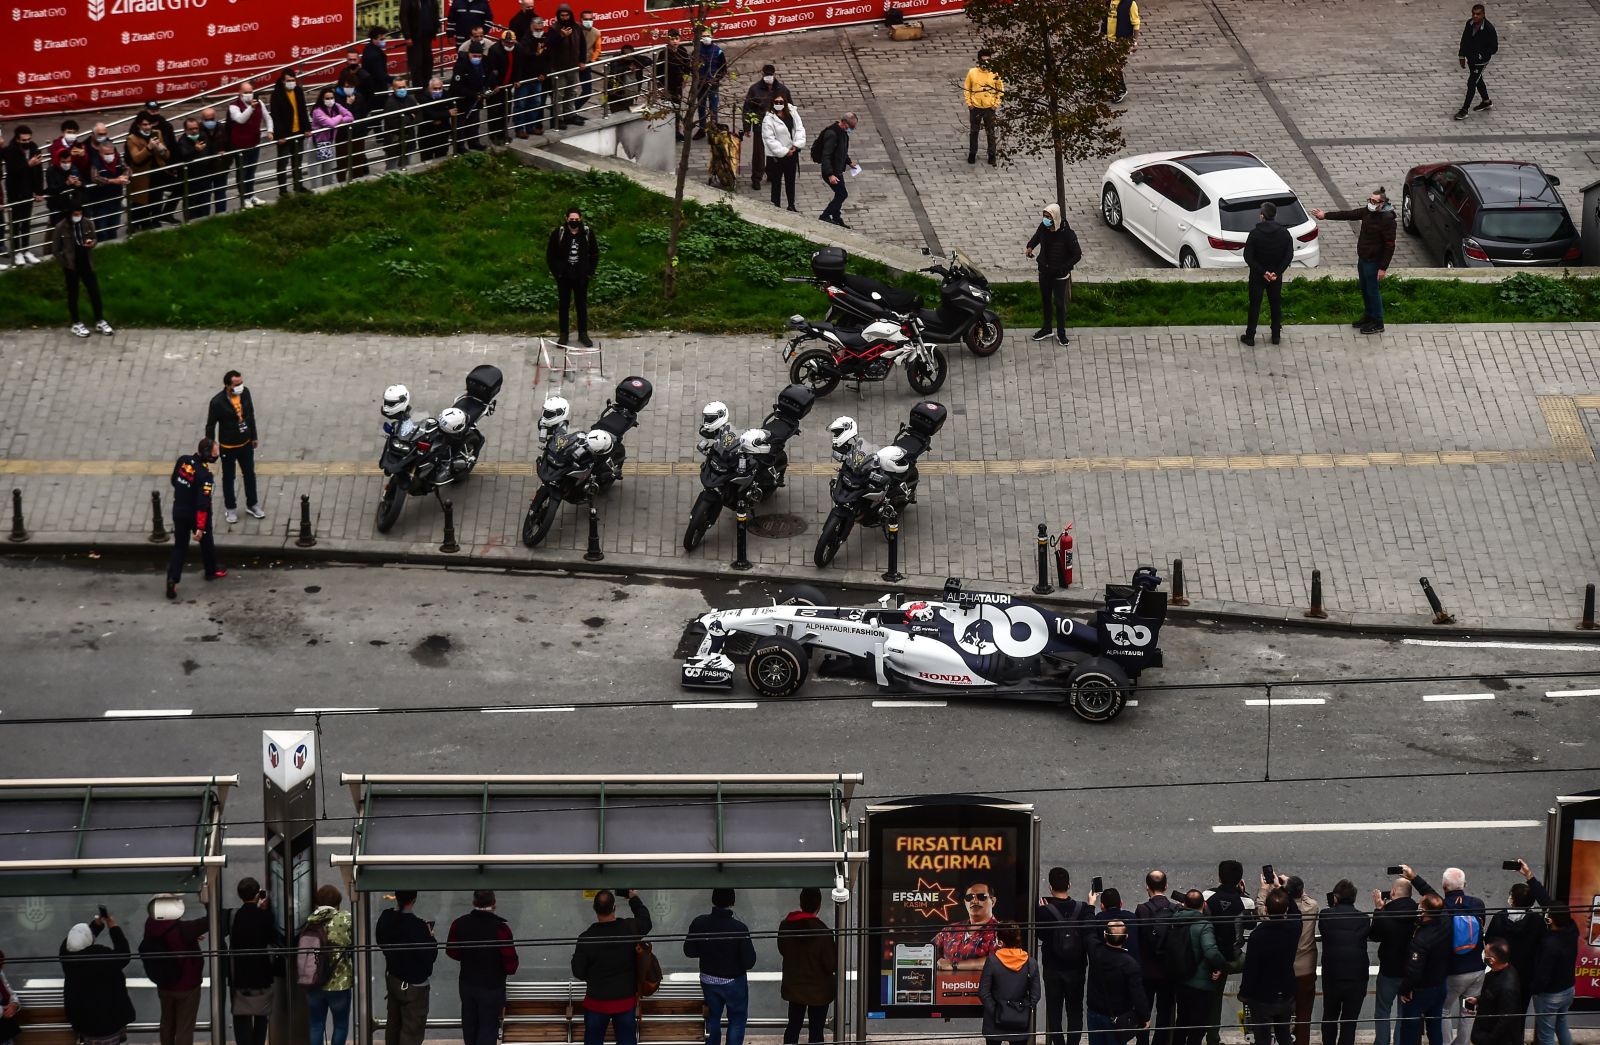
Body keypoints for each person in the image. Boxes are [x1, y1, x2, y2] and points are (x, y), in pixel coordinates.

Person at [1408, 866, 1486, 1045]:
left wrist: (1413, 878)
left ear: (1444, 887)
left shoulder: (1444, 909)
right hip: (1477, 971)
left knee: (1444, 1010)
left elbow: (1431, 897)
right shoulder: (1478, 904)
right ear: (1465, 884)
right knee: (1469, 1011)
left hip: (1453, 972)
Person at [572, 889, 653, 1045]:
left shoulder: (586, 937)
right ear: (614, 907)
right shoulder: (629, 928)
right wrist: (633, 898)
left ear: (594, 909)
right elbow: (646, 920)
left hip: (596, 1002)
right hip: (625, 1001)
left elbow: (578, 972)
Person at [1310, 188, 1395, 335]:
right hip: (1363, 258)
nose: (1371, 203)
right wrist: (1325, 215)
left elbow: (1390, 245)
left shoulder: (1387, 220)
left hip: (1374, 261)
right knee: (1365, 289)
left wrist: (1383, 268)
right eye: (1370, 200)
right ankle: (1368, 316)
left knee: (1373, 291)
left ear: (1382, 203)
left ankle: (1378, 322)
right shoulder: (1367, 211)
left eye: (1374, 201)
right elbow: (1349, 214)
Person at [685, 887, 758, 1045]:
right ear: (733, 902)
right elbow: (749, 961)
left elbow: (689, 951)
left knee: (712, 1019)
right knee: (737, 1020)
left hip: (708, 980)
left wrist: (707, 950)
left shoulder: (699, 922)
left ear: (713, 900)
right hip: (734, 981)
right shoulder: (739, 928)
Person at [1514, 861, 1576, 1045]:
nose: (1546, 914)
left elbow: (1542, 974)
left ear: (1551, 920)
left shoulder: (1550, 944)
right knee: (1561, 1025)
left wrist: (1533, 990)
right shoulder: (1571, 928)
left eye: (1548, 914)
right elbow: (1547, 902)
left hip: (1550, 995)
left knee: (1545, 1035)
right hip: (1568, 989)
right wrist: (1529, 876)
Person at [447, 889, 519, 1045]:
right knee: (488, 1028)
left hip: (467, 984)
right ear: (494, 904)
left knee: (470, 1026)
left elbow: (452, 951)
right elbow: (511, 966)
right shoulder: (501, 929)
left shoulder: (459, 924)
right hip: (492, 987)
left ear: (474, 902)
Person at [143, 892, 211, 1045]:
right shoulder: (184, 929)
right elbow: (210, 921)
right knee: (184, 1029)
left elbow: (168, 940)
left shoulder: (151, 925)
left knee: (167, 1023)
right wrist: (207, 902)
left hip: (164, 984)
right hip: (186, 986)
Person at [1038, 867, 1093, 1045]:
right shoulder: (1082, 908)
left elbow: (1040, 935)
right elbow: (1089, 931)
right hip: (1076, 968)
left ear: (1050, 887)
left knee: (1054, 1011)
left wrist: (1041, 910)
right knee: (1075, 1011)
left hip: (1053, 968)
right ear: (1069, 885)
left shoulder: (1044, 911)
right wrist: (1091, 905)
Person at [61, 912, 136, 1044]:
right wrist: (113, 927)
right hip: (111, 1021)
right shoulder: (101, 956)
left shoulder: (67, 957)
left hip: (85, 1023)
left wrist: (95, 926)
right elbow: (124, 953)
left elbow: (79, 938)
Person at [376, 890, 438, 1045]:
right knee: (412, 1032)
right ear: (414, 899)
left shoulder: (386, 917)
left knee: (393, 1025)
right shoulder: (418, 926)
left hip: (394, 978)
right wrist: (431, 937)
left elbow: (381, 941)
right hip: (415, 985)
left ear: (396, 897)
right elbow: (430, 956)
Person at [1240, 887, 1300, 1045]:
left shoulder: (1257, 936)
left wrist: (1244, 992)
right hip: (1285, 992)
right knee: (1284, 1036)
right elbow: (1297, 914)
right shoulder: (1293, 929)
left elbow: (1251, 968)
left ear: (1266, 910)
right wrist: (1284, 888)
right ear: (1286, 909)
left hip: (1261, 996)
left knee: (1262, 1039)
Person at [1173, 889, 1235, 1045]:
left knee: (1182, 1021)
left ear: (1184, 904)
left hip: (1180, 979)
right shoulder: (1204, 925)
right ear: (1204, 904)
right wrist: (1222, 966)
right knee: (1198, 1026)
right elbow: (1211, 952)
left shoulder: (1174, 920)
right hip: (1200, 984)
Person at [165, 439, 224, 598]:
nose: (216, 455)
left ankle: (172, 578)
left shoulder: (183, 460)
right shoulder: (205, 476)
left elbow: (174, 480)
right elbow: (203, 504)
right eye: (215, 453)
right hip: (195, 514)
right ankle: (211, 570)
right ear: (207, 454)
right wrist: (200, 527)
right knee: (206, 540)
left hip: (179, 510)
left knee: (180, 547)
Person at [777, 887, 836, 1045]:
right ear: (819, 906)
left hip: (795, 987)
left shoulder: (785, 926)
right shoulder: (823, 931)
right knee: (816, 1030)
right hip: (819, 990)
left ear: (801, 903)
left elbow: (783, 950)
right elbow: (831, 964)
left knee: (793, 1025)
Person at [1202, 862, 1252, 1045]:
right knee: (1257, 967)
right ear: (1240, 880)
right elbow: (1251, 924)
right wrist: (1243, 893)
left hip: (1213, 960)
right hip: (1235, 959)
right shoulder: (1245, 902)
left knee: (1214, 1002)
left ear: (1219, 877)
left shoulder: (1207, 896)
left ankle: (1213, 1039)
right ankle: (1248, 997)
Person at [205, 370, 263, 524]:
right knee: (229, 478)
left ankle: (252, 504)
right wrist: (211, 446)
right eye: (236, 384)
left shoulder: (246, 393)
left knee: (249, 474)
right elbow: (210, 425)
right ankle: (230, 508)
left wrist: (254, 436)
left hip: (245, 443)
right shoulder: (217, 402)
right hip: (228, 446)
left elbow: (250, 415)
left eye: (241, 383)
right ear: (227, 386)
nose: (240, 387)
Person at [1317, 880, 1370, 1045]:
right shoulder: (1364, 919)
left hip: (1332, 977)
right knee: (1349, 1021)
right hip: (1357, 977)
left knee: (1330, 1017)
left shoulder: (1325, 915)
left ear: (1335, 898)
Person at [302, 884, 355, 1045]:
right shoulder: (345, 919)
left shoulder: (309, 921)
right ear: (337, 902)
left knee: (316, 1025)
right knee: (341, 1025)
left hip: (314, 982)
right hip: (339, 983)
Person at [228, 877, 277, 1045]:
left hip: (239, 972)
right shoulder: (265, 916)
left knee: (241, 1014)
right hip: (261, 972)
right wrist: (265, 910)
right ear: (257, 895)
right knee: (261, 1015)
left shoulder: (234, 915)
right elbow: (271, 938)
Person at [1371, 878, 1420, 1045]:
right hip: (1410, 972)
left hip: (1389, 970)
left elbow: (1374, 935)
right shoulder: (1418, 913)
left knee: (1383, 1010)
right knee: (1403, 1013)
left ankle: (1382, 1042)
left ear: (1393, 892)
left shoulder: (1387, 913)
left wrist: (1379, 909)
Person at [1025, 203, 1082, 346]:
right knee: (1046, 300)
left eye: (1048, 217)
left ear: (1055, 218)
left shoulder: (1067, 234)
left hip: (1059, 275)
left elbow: (1077, 254)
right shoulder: (1043, 228)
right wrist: (1030, 246)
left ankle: (1061, 333)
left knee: (1059, 304)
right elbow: (1037, 237)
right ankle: (1047, 328)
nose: (1045, 219)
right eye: (1044, 216)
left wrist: (1064, 268)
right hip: (1044, 270)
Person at [53, 200, 111, 339]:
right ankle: (76, 323)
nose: (78, 216)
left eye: (80, 213)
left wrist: (91, 243)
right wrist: (65, 263)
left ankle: (100, 320)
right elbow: (56, 249)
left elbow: (94, 239)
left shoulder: (88, 223)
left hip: (86, 262)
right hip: (71, 265)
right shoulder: (61, 227)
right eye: (75, 214)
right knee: (73, 294)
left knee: (94, 292)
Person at [1399, 894, 1452, 1045]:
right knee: (1435, 1027)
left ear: (1424, 911)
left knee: (1409, 1030)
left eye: (1421, 904)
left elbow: (1414, 971)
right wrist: (1415, 880)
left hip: (1421, 992)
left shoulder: (1421, 940)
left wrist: (1404, 990)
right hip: (1440, 986)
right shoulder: (1445, 919)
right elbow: (1434, 898)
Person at [1132, 871, 1177, 1045]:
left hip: (1147, 970)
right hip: (1168, 970)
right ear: (1166, 887)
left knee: (1144, 1009)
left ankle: (1142, 1041)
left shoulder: (1142, 909)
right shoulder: (1175, 909)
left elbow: (1137, 940)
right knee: (1165, 1011)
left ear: (1147, 887)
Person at [1086, 920, 1147, 1045]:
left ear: (1104, 936)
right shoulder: (1130, 963)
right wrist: (1145, 1016)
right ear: (1126, 937)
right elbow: (1138, 994)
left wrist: (1091, 910)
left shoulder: (1095, 951)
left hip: (1094, 1012)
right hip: (1117, 1017)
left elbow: (1089, 933)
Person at [1241, 200, 1293, 346]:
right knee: (1275, 304)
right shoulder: (1284, 233)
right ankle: (1276, 335)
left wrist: (1263, 272)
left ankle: (1250, 336)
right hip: (1275, 277)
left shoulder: (1255, 234)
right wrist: (1276, 273)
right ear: (1275, 215)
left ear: (1262, 216)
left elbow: (1248, 256)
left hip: (1257, 276)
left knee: (1255, 305)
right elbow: (1288, 256)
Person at [1485, 879, 1540, 1014]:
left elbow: (1489, 941)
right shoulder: (1537, 921)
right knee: (1520, 1011)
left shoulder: (1499, 918)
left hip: (1500, 972)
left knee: (1497, 1010)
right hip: (1526, 975)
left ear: (1513, 900)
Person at [546, 208, 599, 347]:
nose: (574, 221)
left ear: (580, 219)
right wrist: (558, 272)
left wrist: (589, 272)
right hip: (564, 276)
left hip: (581, 276)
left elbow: (594, 254)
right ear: (566, 218)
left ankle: (583, 334)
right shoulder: (559, 233)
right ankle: (564, 334)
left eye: (576, 219)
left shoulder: (587, 233)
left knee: (581, 305)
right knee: (564, 305)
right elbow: (550, 255)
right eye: (571, 219)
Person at [980, 923, 1041, 1045]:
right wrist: (1021, 1009)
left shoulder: (992, 961)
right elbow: (1035, 995)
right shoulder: (1030, 962)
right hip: (1019, 1021)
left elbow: (983, 992)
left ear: (1000, 942)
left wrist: (997, 1011)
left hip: (994, 1021)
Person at [741, 64, 791, 188]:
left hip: (776, 126)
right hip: (760, 126)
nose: (768, 77)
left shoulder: (782, 90)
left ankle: (772, 174)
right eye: (766, 74)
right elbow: (748, 109)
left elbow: (790, 108)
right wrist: (747, 127)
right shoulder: (755, 89)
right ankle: (756, 178)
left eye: (770, 74)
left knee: (774, 151)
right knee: (759, 153)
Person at [4, 125, 47, 265]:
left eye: (29, 139)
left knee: (26, 222)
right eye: (24, 140)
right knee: (16, 223)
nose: (27, 142)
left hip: (28, 190)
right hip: (15, 191)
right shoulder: (10, 150)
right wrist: (28, 164)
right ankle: (17, 252)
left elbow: (38, 171)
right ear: (17, 139)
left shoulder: (34, 147)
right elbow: (12, 171)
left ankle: (26, 249)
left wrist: (39, 191)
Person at [936, 881, 1002, 970]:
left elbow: (998, 961)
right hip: (945, 979)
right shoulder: (949, 930)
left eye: (981, 897)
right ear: (965, 902)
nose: (974, 901)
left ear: (993, 901)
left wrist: (953, 965)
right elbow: (928, 953)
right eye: (969, 897)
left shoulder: (1001, 931)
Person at [227, 82, 272, 208]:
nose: (249, 94)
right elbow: (241, 120)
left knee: (251, 171)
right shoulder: (233, 106)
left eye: (250, 92)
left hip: (254, 143)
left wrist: (270, 130)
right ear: (240, 93)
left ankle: (251, 195)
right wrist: (251, 108)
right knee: (242, 172)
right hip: (240, 144)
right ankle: (244, 197)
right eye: (246, 92)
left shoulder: (259, 103)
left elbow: (268, 118)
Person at [1467, 941, 1521, 1045]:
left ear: (1492, 960)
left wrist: (1488, 1040)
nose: (1483, 954)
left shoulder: (1508, 987)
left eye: (1485, 952)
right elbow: (1493, 997)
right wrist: (1478, 1000)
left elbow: (1505, 1020)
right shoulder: (1496, 971)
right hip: (1485, 1029)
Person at [125, 114, 172, 231]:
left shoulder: (157, 133)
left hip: (157, 172)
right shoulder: (132, 138)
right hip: (142, 174)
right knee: (140, 201)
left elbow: (167, 155)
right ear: (138, 125)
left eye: (150, 124)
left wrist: (162, 150)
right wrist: (149, 148)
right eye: (145, 124)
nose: (148, 127)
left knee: (156, 198)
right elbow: (136, 158)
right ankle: (137, 224)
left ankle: (154, 221)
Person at [760, 91, 805, 212]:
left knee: (790, 181)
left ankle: (791, 205)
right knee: (776, 182)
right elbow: (769, 139)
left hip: (792, 154)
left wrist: (796, 145)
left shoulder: (792, 112)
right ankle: (776, 205)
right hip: (777, 157)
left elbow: (799, 128)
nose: (779, 104)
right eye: (776, 102)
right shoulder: (768, 119)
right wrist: (784, 151)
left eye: (781, 102)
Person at [546, 5, 588, 129]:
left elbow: (583, 45)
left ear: (571, 15)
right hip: (558, 67)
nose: (565, 18)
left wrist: (582, 61)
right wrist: (561, 35)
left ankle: (570, 115)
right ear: (558, 16)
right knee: (559, 95)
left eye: (567, 15)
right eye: (562, 16)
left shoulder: (577, 27)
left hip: (573, 66)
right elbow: (549, 44)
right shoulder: (554, 28)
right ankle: (557, 119)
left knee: (571, 92)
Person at [271, 69, 311, 194]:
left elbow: (303, 110)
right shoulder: (276, 94)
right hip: (285, 135)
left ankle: (298, 186)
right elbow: (275, 116)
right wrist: (279, 135)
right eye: (288, 80)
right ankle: (283, 190)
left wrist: (307, 128)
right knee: (283, 163)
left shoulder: (298, 90)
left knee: (297, 161)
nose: (291, 82)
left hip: (298, 131)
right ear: (283, 81)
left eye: (293, 80)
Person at [1455, 5, 1498, 120]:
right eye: (1473, 13)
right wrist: (1461, 55)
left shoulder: (1489, 29)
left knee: (1472, 82)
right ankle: (1486, 101)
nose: (1475, 16)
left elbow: (1494, 48)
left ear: (1483, 14)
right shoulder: (1469, 24)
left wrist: (1481, 55)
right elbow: (1464, 40)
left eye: (1478, 14)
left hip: (1480, 61)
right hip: (1471, 58)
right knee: (1478, 79)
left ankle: (1464, 109)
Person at [815, 113, 858, 228]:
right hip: (831, 172)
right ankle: (825, 216)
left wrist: (849, 162)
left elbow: (842, 150)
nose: (852, 129)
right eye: (851, 127)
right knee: (842, 194)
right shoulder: (832, 134)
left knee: (840, 194)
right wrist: (830, 174)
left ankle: (836, 218)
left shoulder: (843, 133)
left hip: (838, 170)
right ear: (844, 122)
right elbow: (826, 156)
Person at [449, 43, 491, 153]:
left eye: (479, 56)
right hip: (462, 100)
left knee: (474, 122)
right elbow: (456, 86)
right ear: (469, 54)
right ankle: (459, 146)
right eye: (474, 56)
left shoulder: (484, 62)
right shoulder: (461, 64)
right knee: (460, 124)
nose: (477, 58)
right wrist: (473, 94)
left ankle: (474, 142)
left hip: (476, 99)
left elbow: (487, 77)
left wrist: (484, 89)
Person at [964, 49, 1002, 165]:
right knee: (974, 131)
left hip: (989, 107)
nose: (985, 63)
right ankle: (972, 153)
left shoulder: (995, 73)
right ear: (979, 60)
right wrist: (969, 104)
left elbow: (1000, 89)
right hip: (975, 107)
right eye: (983, 60)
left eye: (987, 60)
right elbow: (967, 88)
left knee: (990, 132)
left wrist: (995, 104)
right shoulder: (972, 72)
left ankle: (992, 154)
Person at [310, 88, 354, 188]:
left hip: (329, 142)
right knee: (315, 171)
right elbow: (331, 124)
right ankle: (316, 191)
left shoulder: (336, 106)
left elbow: (350, 117)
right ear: (322, 99)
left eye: (332, 98)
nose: (330, 100)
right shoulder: (317, 111)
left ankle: (327, 190)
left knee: (328, 169)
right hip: (316, 144)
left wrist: (337, 119)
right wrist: (340, 117)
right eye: (327, 98)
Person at [88, 139, 129, 242]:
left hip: (116, 199)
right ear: (100, 153)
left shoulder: (118, 159)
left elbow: (128, 169)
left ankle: (113, 244)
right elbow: (95, 178)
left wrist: (124, 176)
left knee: (114, 226)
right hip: (101, 202)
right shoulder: (96, 163)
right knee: (102, 229)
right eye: (107, 154)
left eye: (111, 153)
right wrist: (113, 181)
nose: (110, 156)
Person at [177, 118, 219, 220]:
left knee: (205, 203)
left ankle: (204, 222)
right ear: (185, 130)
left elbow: (211, 151)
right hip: (191, 179)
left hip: (205, 176)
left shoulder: (204, 137)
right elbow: (184, 156)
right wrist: (195, 150)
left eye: (196, 128)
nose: (194, 131)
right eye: (191, 129)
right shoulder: (182, 141)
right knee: (191, 205)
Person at [483, 31, 519, 145]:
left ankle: (503, 133)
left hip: (507, 86)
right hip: (496, 87)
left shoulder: (517, 48)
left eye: (511, 43)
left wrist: (517, 79)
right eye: (507, 43)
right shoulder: (494, 50)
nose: (509, 45)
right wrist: (494, 85)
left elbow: (519, 65)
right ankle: (494, 135)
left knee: (506, 111)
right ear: (502, 41)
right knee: (494, 112)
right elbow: (491, 70)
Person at [380, 74, 420, 169]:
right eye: (399, 87)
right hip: (394, 141)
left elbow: (418, 115)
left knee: (406, 165)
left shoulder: (410, 99)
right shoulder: (390, 102)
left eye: (403, 87)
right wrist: (410, 117)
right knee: (391, 168)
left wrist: (406, 118)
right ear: (393, 88)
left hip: (409, 138)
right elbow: (395, 123)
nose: (402, 89)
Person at [1102, 0, 1140, 101]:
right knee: (1108, 64)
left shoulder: (1130, 3)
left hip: (1122, 40)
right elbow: (1106, 18)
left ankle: (1121, 89)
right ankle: (1112, 88)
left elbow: (1136, 23)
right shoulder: (1110, 2)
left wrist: (1135, 42)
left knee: (1115, 64)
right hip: (1110, 39)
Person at [692, 31, 727, 138]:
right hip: (700, 85)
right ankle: (702, 129)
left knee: (713, 107)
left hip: (713, 84)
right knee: (701, 107)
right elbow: (692, 67)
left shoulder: (718, 51)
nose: (706, 38)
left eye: (708, 36)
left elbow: (723, 69)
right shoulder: (696, 51)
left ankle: (713, 128)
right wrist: (698, 79)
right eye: (704, 36)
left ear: (712, 36)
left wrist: (716, 79)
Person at [398, 0, 441, 87]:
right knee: (416, 63)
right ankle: (418, 88)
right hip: (414, 37)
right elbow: (403, 17)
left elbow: (435, 13)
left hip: (427, 36)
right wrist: (407, 36)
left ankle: (427, 86)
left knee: (428, 62)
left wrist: (436, 27)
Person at [1095, 890, 1141, 966]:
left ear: (1102, 906)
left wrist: (1091, 905)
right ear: (1121, 903)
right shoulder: (1131, 917)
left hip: (1107, 964)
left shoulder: (1099, 919)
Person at [418, 78, 455, 160]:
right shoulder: (423, 97)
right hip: (426, 134)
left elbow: (453, 110)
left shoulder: (446, 94)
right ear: (429, 88)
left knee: (441, 158)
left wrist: (439, 115)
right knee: (426, 159)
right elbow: (431, 114)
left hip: (442, 132)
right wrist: (447, 113)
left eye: (439, 88)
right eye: (435, 89)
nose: (438, 91)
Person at [363, 27, 396, 101]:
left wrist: (385, 65)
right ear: (374, 39)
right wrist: (395, 80)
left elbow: (374, 67)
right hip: (377, 88)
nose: (384, 41)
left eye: (384, 39)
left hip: (371, 87)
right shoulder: (375, 54)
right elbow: (379, 74)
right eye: (381, 39)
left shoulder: (368, 48)